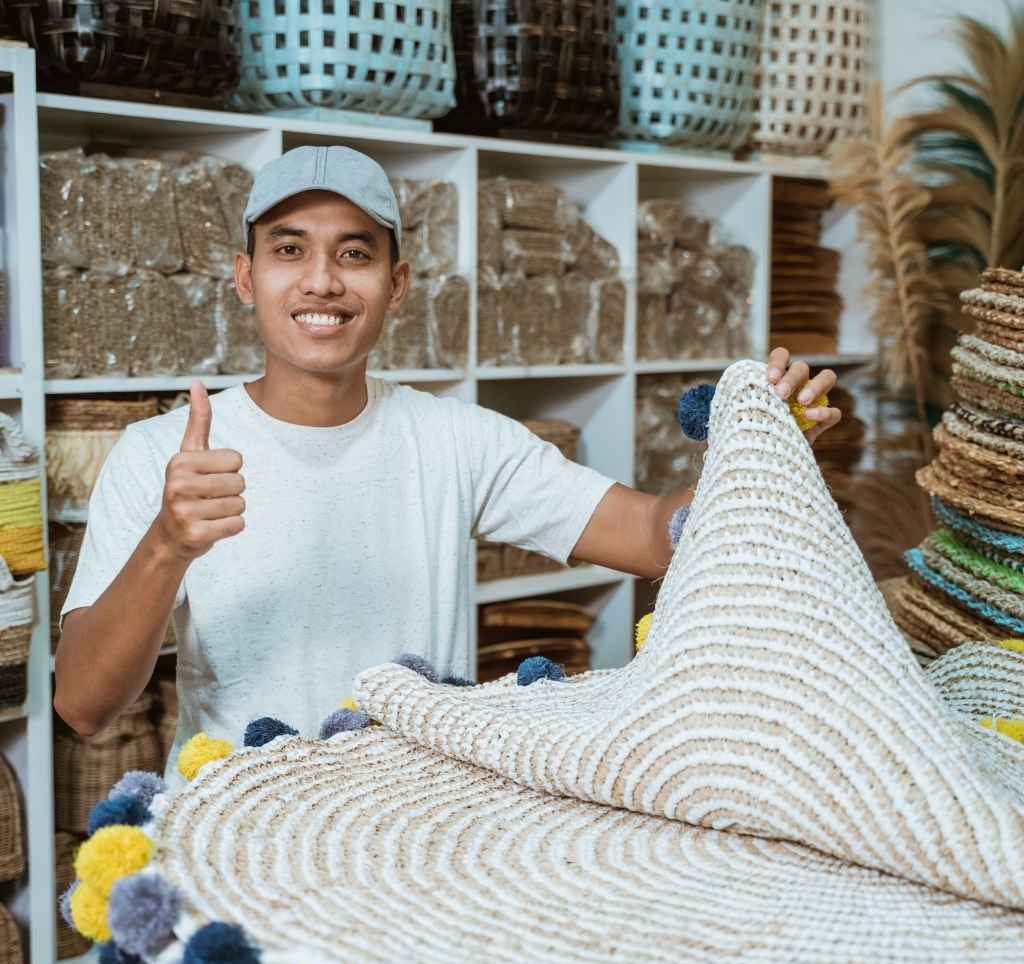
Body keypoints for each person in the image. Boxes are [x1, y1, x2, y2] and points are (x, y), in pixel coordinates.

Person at [53, 146, 842, 784]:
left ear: (396, 286)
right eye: (289, 250)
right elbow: (85, 705)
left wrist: (757, 452)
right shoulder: (161, 455)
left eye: (353, 253)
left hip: (425, 824)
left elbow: (648, 533)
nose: (322, 280)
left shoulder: (456, 440)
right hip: (241, 828)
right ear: (244, 276)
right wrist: (169, 545)